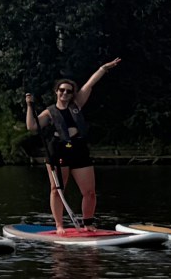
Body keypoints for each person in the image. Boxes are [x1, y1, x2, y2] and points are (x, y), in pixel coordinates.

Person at [26, 59, 120, 228]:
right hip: (58, 150)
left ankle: (88, 223)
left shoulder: (77, 104)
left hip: (78, 149)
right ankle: (59, 225)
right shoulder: (50, 112)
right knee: (57, 190)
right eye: (61, 90)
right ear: (56, 92)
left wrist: (103, 68)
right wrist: (29, 106)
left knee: (89, 192)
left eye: (68, 92)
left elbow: (89, 84)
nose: (65, 94)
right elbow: (32, 126)